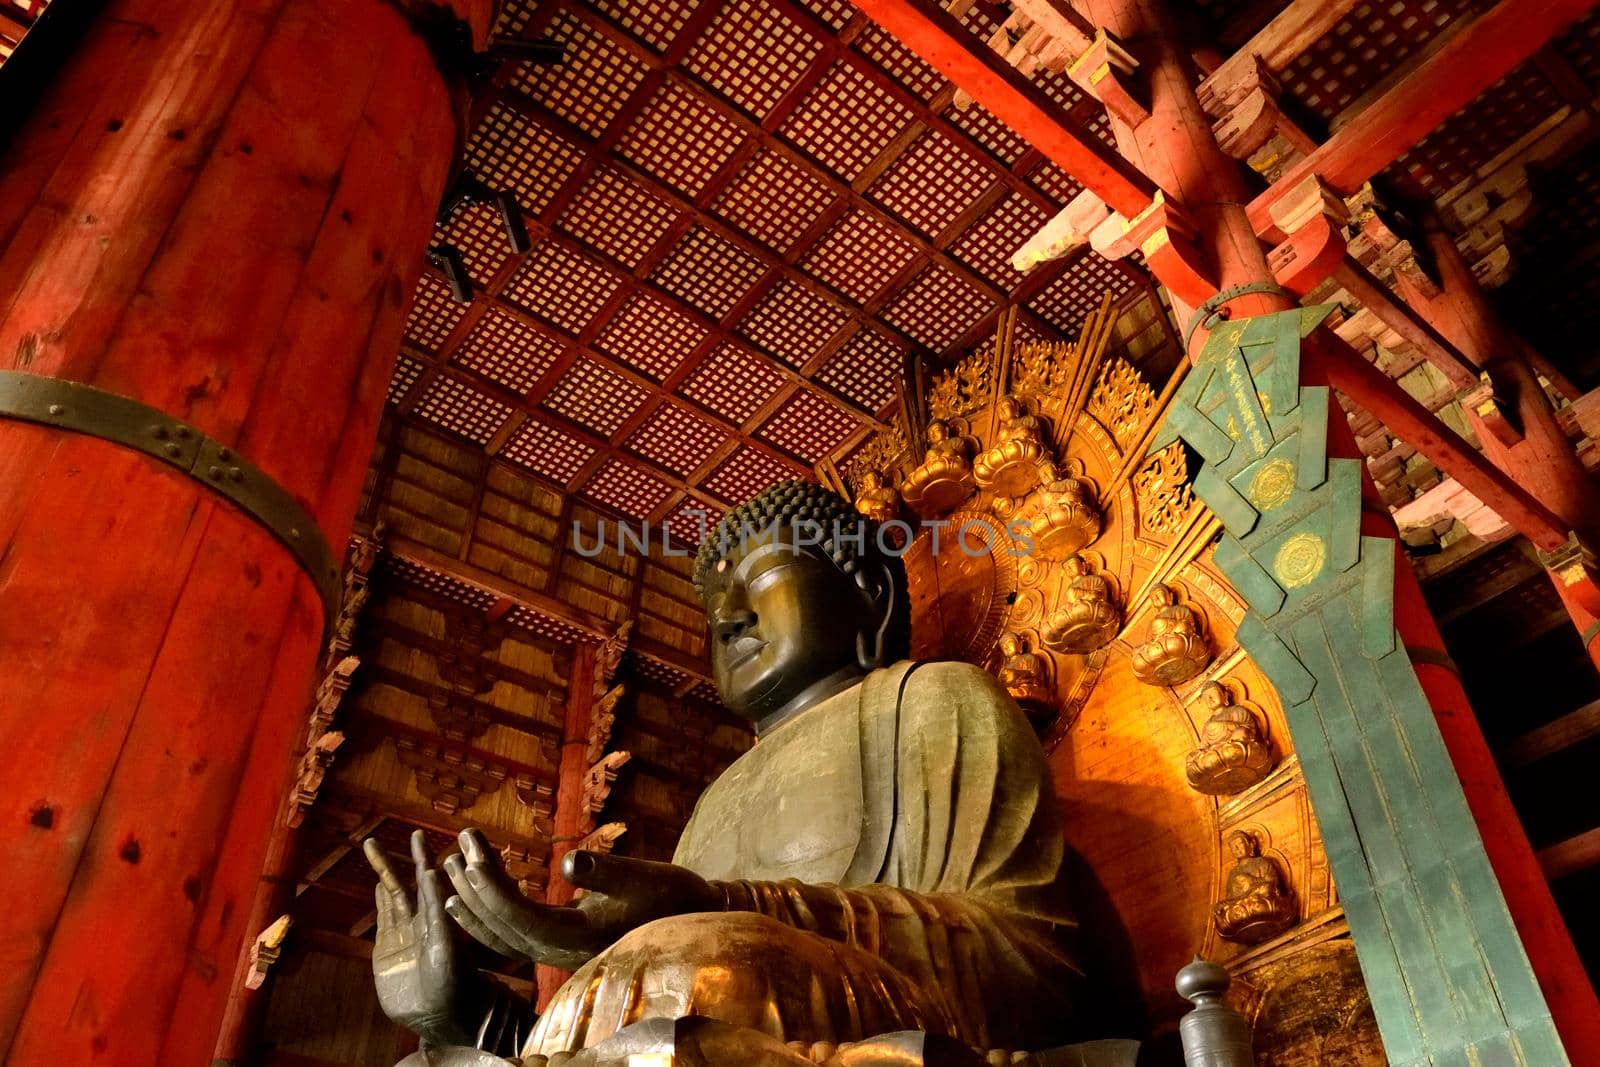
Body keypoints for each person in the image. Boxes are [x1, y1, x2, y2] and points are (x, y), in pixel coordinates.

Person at [365, 481, 1095, 1065]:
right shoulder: (717, 796)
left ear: (868, 595)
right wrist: (469, 1015)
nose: (730, 619)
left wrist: (719, 904)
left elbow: (1032, 970)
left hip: (870, 1018)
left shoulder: (938, 699)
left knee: (705, 961)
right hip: (734, 1014)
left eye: (763, 578)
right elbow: (641, 1021)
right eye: (714, 606)